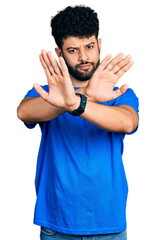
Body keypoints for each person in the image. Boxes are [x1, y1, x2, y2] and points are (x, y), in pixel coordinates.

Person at [17, 5, 139, 240]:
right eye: (73, 50)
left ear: (99, 44)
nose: (84, 57)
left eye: (90, 47)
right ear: (60, 53)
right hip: (57, 222)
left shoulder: (119, 94)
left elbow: (127, 122)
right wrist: (80, 96)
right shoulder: (48, 93)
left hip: (109, 223)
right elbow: (24, 112)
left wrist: (78, 101)